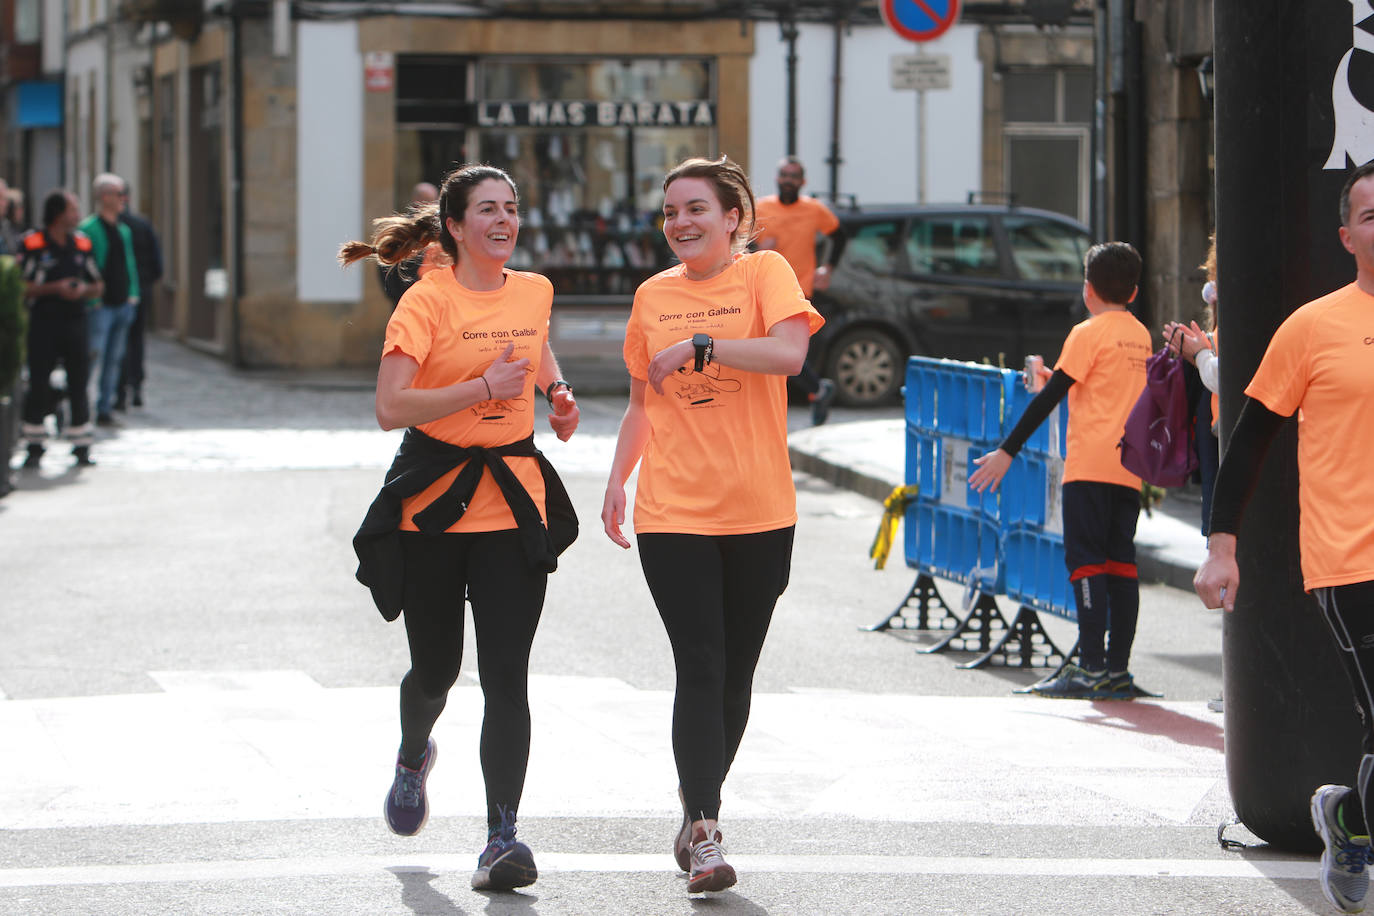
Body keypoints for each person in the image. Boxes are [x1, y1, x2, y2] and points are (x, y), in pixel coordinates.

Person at [342, 164, 580, 893]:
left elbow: (533, 345)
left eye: (511, 208)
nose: (503, 220)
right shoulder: (424, 301)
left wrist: (557, 391)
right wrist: (483, 388)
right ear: (455, 225)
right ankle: (414, 753)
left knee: (507, 676)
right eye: (487, 210)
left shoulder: (534, 290)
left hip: (512, 505)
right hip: (435, 510)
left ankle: (500, 837)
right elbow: (391, 406)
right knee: (438, 670)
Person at [600, 155, 824, 895]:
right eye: (669, 212)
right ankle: (704, 830)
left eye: (695, 208)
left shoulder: (765, 276)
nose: (680, 223)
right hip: (675, 511)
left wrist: (703, 345)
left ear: (734, 218)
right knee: (699, 661)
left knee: (735, 672)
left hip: (761, 508)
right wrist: (615, 480)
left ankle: (698, 801)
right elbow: (642, 402)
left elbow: (790, 354)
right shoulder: (651, 296)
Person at [1195, 159, 1374, 915]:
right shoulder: (1312, 326)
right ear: (1346, 236)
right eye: (1370, 215)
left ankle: (1350, 820)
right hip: (1349, 556)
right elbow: (1250, 438)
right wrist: (1222, 543)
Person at [969, 242, 1152, 698]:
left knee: (1086, 562)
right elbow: (1104, 388)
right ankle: (1116, 670)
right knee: (1121, 565)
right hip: (1128, 468)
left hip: (1088, 465)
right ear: (1133, 291)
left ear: (1088, 289)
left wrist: (1007, 451)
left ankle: (1089, 665)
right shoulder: (1140, 335)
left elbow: (1049, 399)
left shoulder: (1086, 333)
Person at [17, 190, 104, 467]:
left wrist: (81, 291)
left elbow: (97, 284)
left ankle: (80, 444)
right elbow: (22, 286)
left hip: (75, 321)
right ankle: (34, 444)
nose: (78, 216)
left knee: (79, 382)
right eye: (73, 210)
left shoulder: (81, 244)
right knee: (39, 382)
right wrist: (54, 288)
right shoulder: (33, 243)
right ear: (58, 214)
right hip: (44, 322)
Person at [754, 156, 841, 425]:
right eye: (784, 175)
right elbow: (741, 245)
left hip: (798, 291)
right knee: (774, 351)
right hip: (765, 288)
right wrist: (758, 248)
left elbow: (840, 235)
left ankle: (815, 391)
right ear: (777, 178)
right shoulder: (762, 207)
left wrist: (828, 267)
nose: (788, 181)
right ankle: (817, 390)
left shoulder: (814, 209)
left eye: (794, 176)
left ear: (802, 182)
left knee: (786, 351)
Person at [1163, 236, 1221, 535]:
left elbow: (1223, 374)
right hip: (1213, 421)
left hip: (1222, 422)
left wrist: (1198, 352)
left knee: (1220, 516)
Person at [78, 173, 139, 426]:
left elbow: (129, 264)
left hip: (122, 303)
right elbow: (84, 267)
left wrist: (133, 294)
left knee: (114, 360)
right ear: (105, 197)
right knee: (93, 356)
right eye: (118, 193)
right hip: (100, 306)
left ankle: (105, 408)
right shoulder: (88, 229)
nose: (123, 199)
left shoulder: (123, 229)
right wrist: (92, 300)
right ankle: (81, 407)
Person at [114, 183, 164, 411]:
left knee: (120, 342)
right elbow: (157, 264)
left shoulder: (115, 226)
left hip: (121, 293)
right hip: (141, 290)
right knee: (136, 340)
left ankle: (121, 390)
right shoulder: (142, 225)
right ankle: (136, 387)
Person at [378, 182, 443, 308]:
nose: (432, 206)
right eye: (428, 201)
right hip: (404, 301)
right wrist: (400, 296)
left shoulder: (441, 231)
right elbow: (384, 265)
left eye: (434, 202)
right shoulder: (400, 230)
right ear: (416, 201)